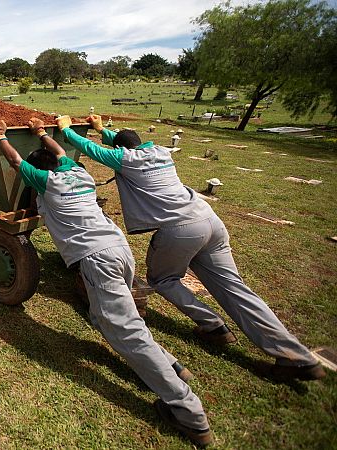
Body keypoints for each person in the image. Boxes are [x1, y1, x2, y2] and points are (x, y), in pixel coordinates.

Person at [0, 117, 214, 446]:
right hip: (120, 249)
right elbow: (60, 151)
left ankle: (188, 412)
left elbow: (15, 160)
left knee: (124, 331)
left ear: (43, 174)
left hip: (98, 258)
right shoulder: (79, 173)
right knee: (105, 317)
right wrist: (40, 134)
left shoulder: (46, 183)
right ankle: (173, 366)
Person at [58, 114, 326, 382]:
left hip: (181, 230)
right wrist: (102, 129)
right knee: (236, 289)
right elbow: (124, 143)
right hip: (209, 221)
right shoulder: (161, 152)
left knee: (162, 279)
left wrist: (67, 131)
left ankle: (213, 325)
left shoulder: (126, 159)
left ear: (122, 150)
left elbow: (93, 150)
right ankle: (296, 357)